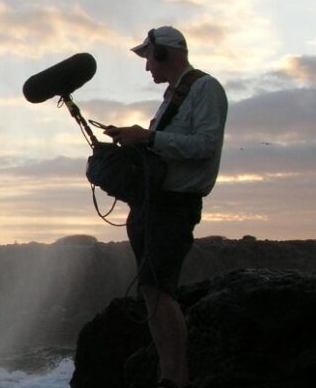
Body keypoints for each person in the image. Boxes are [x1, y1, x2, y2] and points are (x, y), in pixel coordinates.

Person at [103, 26, 228, 388]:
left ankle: (176, 377)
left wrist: (148, 136)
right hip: (152, 204)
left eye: (149, 58)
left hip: (175, 205)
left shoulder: (205, 89)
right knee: (150, 288)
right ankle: (167, 373)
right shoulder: (173, 96)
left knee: (159, 288)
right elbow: (166, 146)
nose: (147, 68)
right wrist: (133, 140)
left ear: (164, 53)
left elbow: (203, 145)